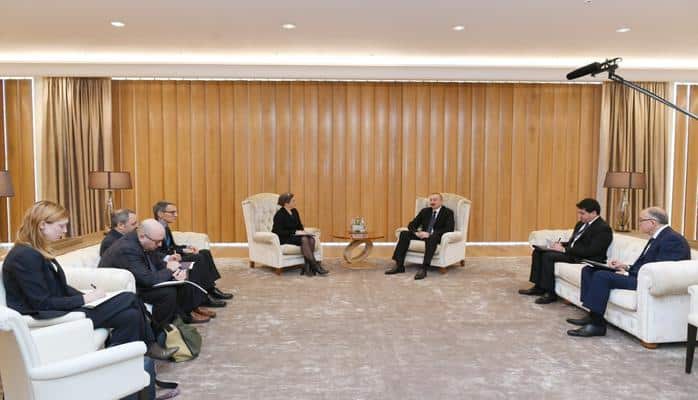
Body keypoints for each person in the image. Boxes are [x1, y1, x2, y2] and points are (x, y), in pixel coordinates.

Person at [1, 201, 177, 364]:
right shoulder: (25, 256)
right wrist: (84, 300)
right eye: (61, 226)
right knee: (129, 298)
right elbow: (41, 303)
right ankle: (149, 346)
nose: (64, 231)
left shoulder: (37, 251)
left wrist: (88, 296)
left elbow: (59, 287)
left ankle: (125, 366)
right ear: (42, 225)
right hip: (46, 315)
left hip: (58, 307)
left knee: (129, 316)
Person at [567, 207, 691, 337]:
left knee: (601, 276)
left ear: (653, 222)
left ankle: (597, 326)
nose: (638, 223)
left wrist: (628, 274)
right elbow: (647, 265)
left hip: (646, 282)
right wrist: (626, 267)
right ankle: (592, 315)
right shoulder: (659, 237)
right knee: (589, 270)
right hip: (640, 275)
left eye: (641, 220)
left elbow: (660, 270)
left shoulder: (672, 239)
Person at [99, 219, 213, 325]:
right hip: (121, 289)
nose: (160, 245)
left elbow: (155, 261)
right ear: (142, 236)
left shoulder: (142, 241)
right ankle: (160, 329)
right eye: (157, 242)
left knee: (182, 277)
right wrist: (169, 270)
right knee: (167, 293)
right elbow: (147, 280)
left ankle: (183, 316)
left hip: (136, 279)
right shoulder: (127, 249)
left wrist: (174, 270)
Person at [518, 198, 613, 304]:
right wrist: (561, 244)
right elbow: (574, 242)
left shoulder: (603, 228)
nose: (579, 216)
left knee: (548, 256)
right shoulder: (581, 224)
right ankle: (538, 287)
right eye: (579, 213)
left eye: (582, 213)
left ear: (594, 213)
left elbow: (591, 251)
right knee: (538, 251)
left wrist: (564, 249)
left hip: (585, 258)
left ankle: (550, 293)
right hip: (574, 253)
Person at [153, 201, 233, 304]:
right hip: (167, 264)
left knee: (205, 252)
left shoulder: (166, 228)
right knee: (197, 258)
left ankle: (211, 289)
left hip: (174, 258)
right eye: (172, 212)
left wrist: (186, 248)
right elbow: (154, 253)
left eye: (176, 212)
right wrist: (169, 257)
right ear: (160, 214)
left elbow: (172, 247)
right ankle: (204, 296)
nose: (176, 215)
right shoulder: (153, 230)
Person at [386, 193, 455, 280]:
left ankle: (424, 268)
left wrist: (430, 234)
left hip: (435, 236)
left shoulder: (448, 212)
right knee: (404, 233)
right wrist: (417, 232)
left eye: (435, 200)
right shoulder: (425, 211)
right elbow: (412, 225)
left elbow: (449, 228)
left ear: (441, 201)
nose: (432, 202)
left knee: (431, 238)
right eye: (431, 200)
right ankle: (399, 265)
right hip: (422, 234)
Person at [272, 192, 328, 276]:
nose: (295, 202)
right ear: (286, 203)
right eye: (293, 201)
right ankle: (315, 266)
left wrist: (303, 232)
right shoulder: (279, 214)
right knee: (304, 239)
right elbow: (277, 231)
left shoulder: (294, 211)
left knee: (311, 239)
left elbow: (299, 225)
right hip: (285, 238)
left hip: (295, 236)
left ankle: (307, 266)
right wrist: (295, 232)